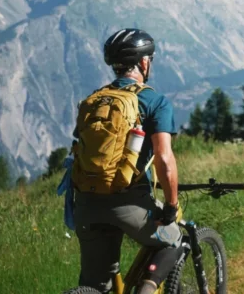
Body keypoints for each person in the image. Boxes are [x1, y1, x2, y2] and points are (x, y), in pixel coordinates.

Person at [72, 29, 181, 294]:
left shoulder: (93, 100)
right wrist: (171, 205)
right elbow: (164, 161)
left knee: (96, 286)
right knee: (176, 240)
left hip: (85, 203)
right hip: (127, 202)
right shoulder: (154, 102)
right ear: (144, 63)